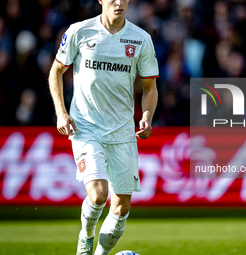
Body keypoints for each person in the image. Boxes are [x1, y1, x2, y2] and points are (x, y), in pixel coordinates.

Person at [48, 0, 159, 254]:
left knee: (121, 209)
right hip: (86, 127)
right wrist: (61, 113)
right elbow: (56, 72)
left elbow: (150, 87)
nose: (119, 3)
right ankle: (86, 236)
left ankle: (100, 253)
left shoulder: (140, 39)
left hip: (122, 133)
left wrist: (147, 116)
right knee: (98, 194)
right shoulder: (79, 31)